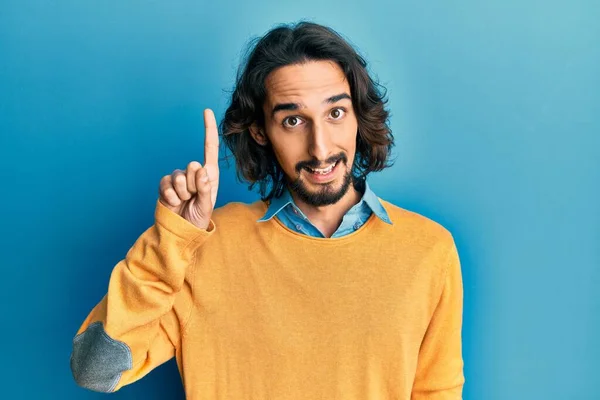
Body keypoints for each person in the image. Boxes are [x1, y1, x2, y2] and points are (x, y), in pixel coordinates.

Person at [70, 21, 465, 399]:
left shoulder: (429, 250)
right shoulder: (204, 247)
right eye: (293, 120)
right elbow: (95, 370)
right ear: (260, 131)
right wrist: (173, 239)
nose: (321, 148)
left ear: (358, 116)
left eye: (336, 113)